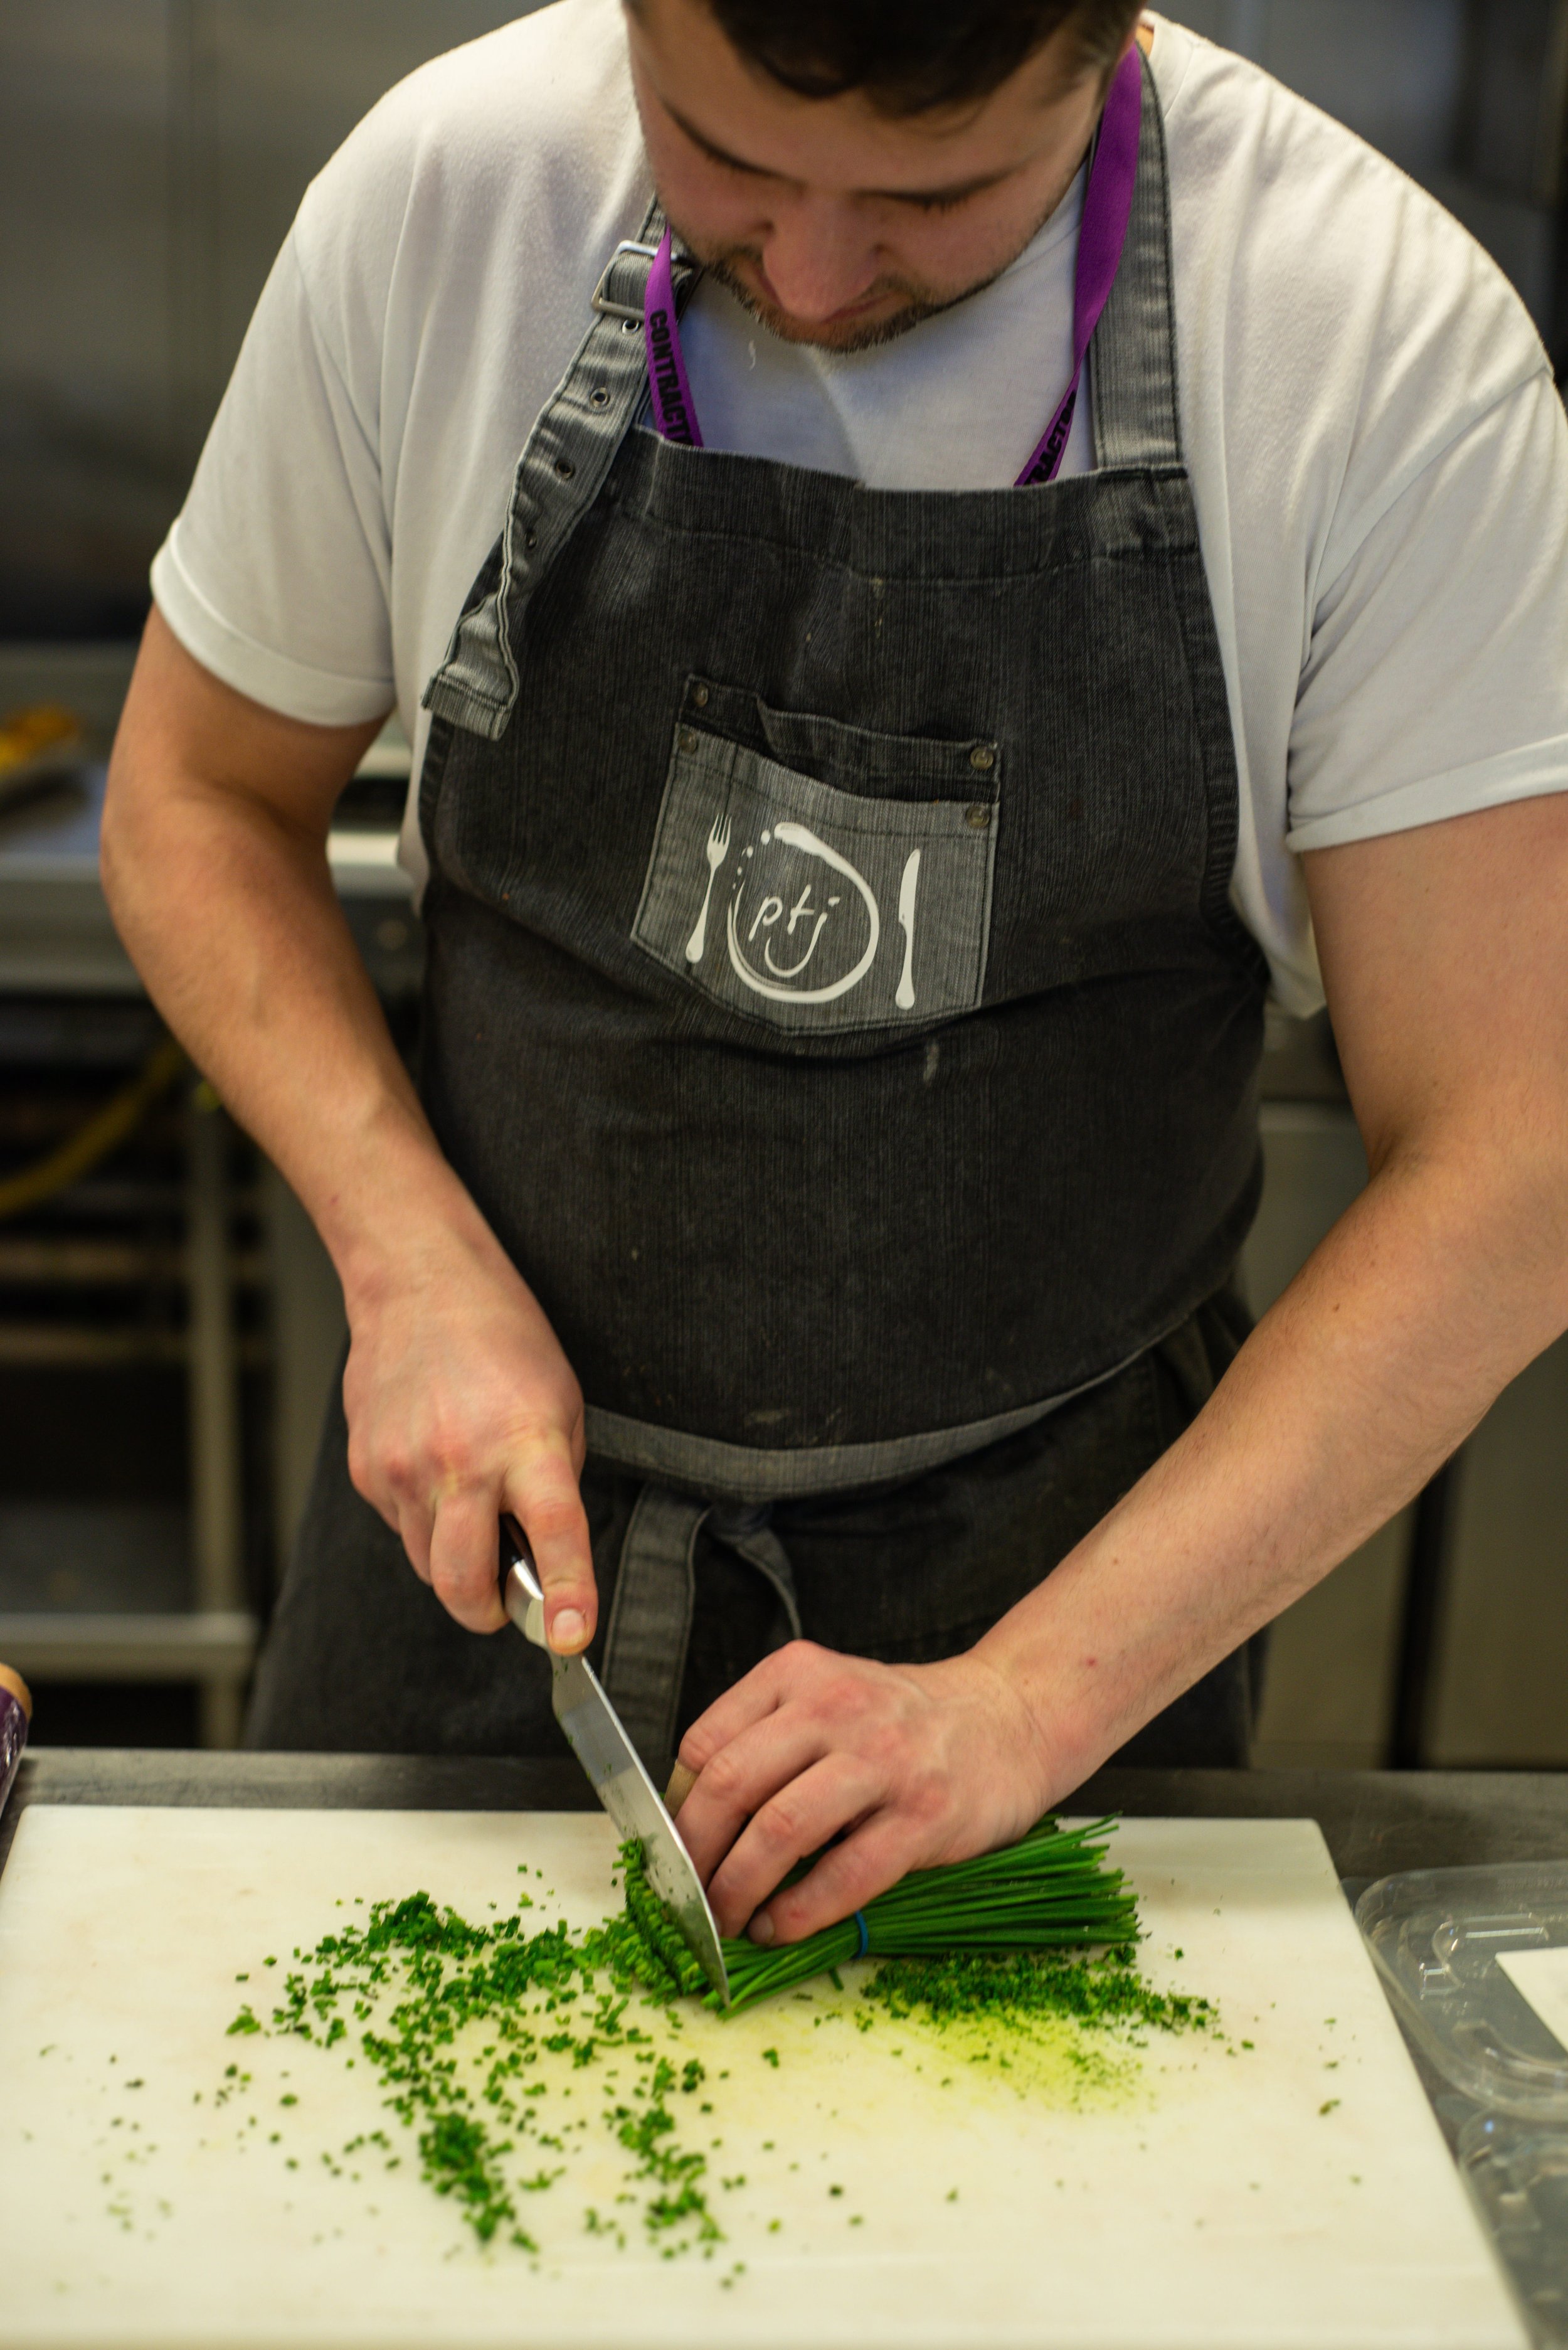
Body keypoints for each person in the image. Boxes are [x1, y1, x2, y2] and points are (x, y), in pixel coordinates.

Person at [103, 0, 1568, 1954]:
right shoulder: (453, 202)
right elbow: (194, 799)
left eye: (937, 193)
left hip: (1061, 1626)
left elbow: (1515, 1148)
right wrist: (404, 1256)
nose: (805, 272)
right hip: (475, 1575)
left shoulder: (1364, 347)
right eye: (722, 159)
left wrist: (1027, 1697)